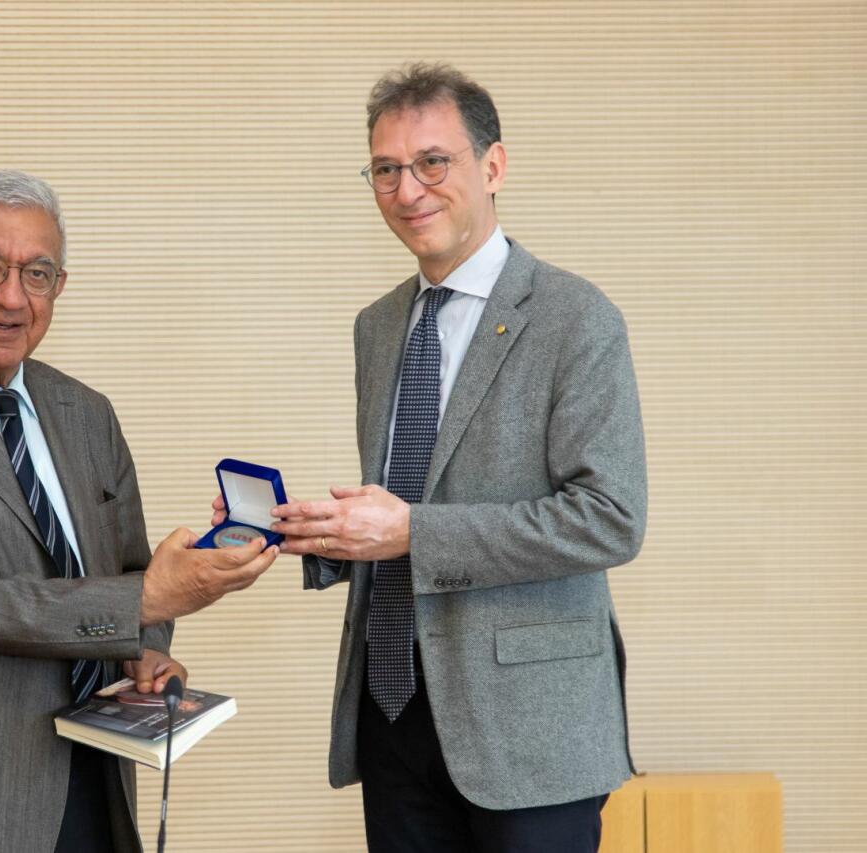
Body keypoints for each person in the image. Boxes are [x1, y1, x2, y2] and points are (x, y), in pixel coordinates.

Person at [221, 63, 647, 852]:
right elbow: (402, 503)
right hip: (393, 713)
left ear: (494, 166)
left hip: (530, 731)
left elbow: (609, 518)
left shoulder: (576, 318)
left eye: (432, 162)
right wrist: (315, 532)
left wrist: (412, 531)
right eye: (385, 169)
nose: (407, 189)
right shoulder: (378, 326)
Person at [0, 169, 277, 853]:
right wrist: (147, 598)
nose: (12, 297)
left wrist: (147, 649)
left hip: (92, 779)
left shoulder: (86, 413)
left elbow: (130, 572)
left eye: (36, 273)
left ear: (58, 287)